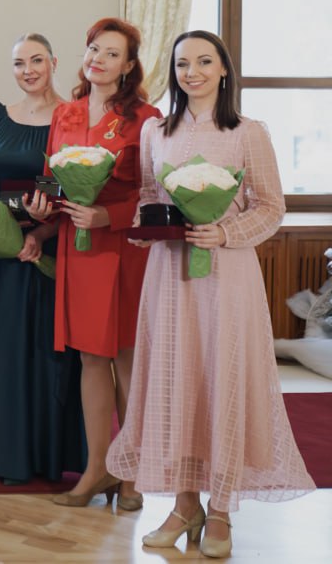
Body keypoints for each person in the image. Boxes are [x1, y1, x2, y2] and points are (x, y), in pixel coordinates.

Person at [108, 30, 313, 558]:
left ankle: (220, 509)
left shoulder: (248, 132)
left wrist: (224, 233)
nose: (192, 72)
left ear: (224, 69)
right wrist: (145, 228)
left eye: (203, 61)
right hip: (169, 275)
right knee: (176, 380)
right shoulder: (155, 132)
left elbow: (271, 206)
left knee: (222, 379)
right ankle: (184, 506)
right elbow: (150, 195)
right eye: (182, 63)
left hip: (228, 275)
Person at [25, 16, 161, 509]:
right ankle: (97, 468)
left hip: (121, 248)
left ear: (128, 66)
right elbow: (50, 176)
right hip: (76, 247)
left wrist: (110, 215)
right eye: (93, 49)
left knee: (125, 358)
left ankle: (133, 471)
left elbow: (156, 194)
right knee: (89, 358)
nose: (98, 59)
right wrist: (41, 209)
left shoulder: (146, 118)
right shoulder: (66, 113)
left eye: (111, 53)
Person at [0, 33, 85, 485]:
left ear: (54, 62)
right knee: (4, 349)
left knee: (45, 350)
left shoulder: (71, 118)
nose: (28, 70)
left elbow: (73, 187)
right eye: (19, 63)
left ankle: (46, 454)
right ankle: (3, 451)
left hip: (47, 252)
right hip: (3, 254)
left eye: (36, 60)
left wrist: (41, 231)